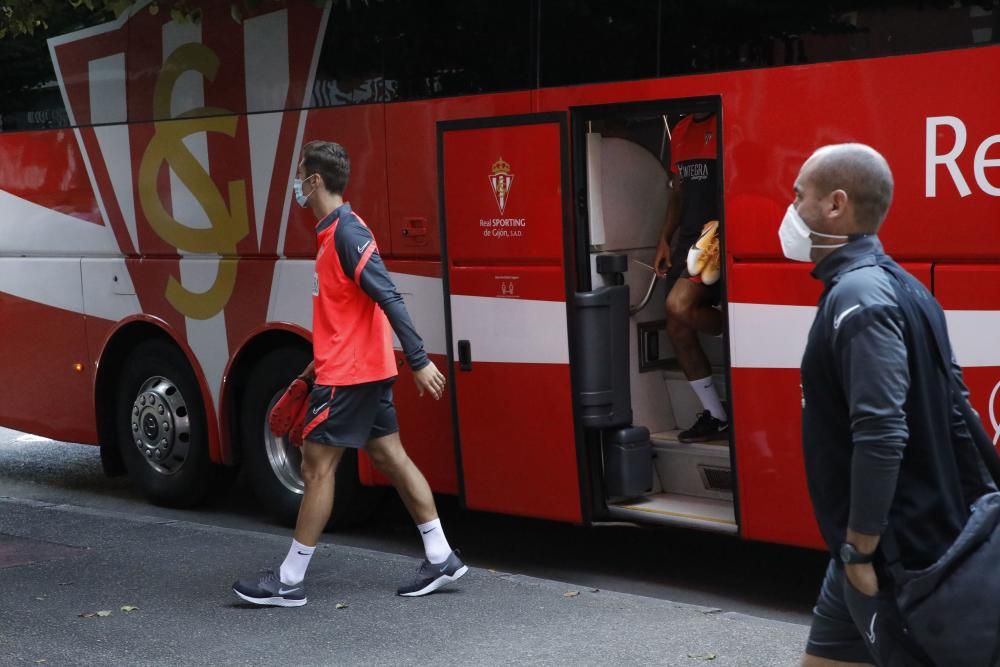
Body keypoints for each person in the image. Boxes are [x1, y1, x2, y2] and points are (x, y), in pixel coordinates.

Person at [233, 141, 467, 606]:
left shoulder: (347, 234)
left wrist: (419, 359)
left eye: (301, 177)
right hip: (357, 370)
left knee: (316, 468)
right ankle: (441, 555)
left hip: (351, 378)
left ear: (316, 180)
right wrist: (307, 373)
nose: (298, 186)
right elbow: (345, 321)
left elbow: (389, 296)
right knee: (390, 458)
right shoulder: (332, 235)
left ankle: (289, 579)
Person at [788, 144, 994, 666]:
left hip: (887, 552)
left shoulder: (858, 298)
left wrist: (862, 546)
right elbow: (959, 407)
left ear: (835, 205)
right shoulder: (905, 285)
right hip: (858, 551)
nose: (790, 210)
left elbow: (881, 431)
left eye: (798, 196)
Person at [653, 111, 727, 442]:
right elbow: (678, 194)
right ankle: (716, 415)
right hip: (686, 238)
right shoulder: (681, 129)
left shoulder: (725, 117)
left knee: (678, 306)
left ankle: (732, 324)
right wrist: (664, 240)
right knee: (676, 325)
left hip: (714, 235)